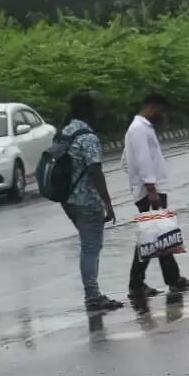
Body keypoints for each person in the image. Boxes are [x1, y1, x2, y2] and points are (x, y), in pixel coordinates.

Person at [123, 93, 189, 301]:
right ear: (152, 107)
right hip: (151, 192)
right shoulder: (139, 129)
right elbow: (143, 160)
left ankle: (169, 279)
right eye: (160, 110)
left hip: (150, 190)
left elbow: (126, 160)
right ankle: (139, 284)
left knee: (159, 236)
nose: (161, 115)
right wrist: (150, 189)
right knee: (151, 237)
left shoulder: (140, 128)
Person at [58, 91, 123, 312]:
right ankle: (93, 296)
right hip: (86, 201)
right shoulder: (88, 137)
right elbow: (95, 171)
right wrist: (108, 203)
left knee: (88, 244)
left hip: (67, 200)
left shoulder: (64, 132)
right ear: (90, 111)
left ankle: (92, 294)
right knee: (90, 247)